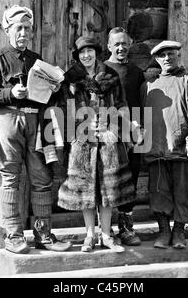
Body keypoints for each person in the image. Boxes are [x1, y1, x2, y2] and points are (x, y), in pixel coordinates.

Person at [0, 5, 71, 254]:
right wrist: (9, 93)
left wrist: (54, 89)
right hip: (8, 120)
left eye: (28, 28)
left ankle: (43, 235)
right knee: (10, 178)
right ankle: (14, 236)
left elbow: (45, 95)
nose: (24, 32)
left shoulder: (36, 59)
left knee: (41, 179)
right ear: (8, 30)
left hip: (36, 121)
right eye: (19, 28)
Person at [57, 36, 137, 253]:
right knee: (86, 189)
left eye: (90, 51)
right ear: (77, 55)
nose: (86, 56)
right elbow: (64, 109)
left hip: (107, 138)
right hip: (83, 140)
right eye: (82, 52)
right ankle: (90, 235)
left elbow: (121, 105)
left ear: (96, 52)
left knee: (108, 188)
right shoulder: (71, 80)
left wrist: (115, 126)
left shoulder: (111, 77)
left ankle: (107, 235)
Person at [142, 40, 188, 249]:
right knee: (159, 192)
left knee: (182, 192)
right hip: (156, 149)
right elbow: (142, 118)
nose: (167, 58)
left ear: (178, 55)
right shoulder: (149, 86)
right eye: (162, 56)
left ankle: (179, 231)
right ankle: (164, 231)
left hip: (181, 149)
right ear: (157, 60)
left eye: (171, 54)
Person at [103, 27, 145, 246]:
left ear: (130, 45)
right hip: (109, 133)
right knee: (109, 179)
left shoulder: (137, 73)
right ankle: (105, 228)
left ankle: (126, 228)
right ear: (109, 46)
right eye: (116, 44)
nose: (120, 48)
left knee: (131, 177)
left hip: (133, 132)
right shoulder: (102, 70)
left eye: (124, 43)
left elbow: (139, 103)